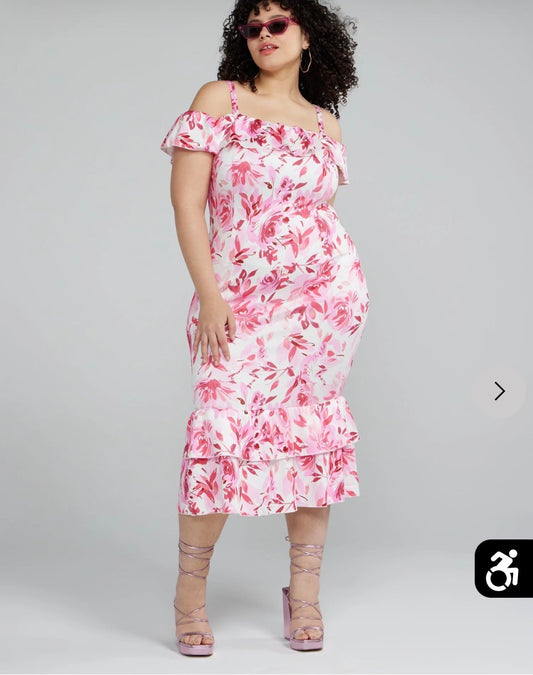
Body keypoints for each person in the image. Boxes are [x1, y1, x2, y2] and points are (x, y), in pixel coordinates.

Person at [160, 0, 369, 656]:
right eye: (252, 27)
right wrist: (210, 295)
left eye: (277, 24)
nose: (263, 35)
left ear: (308, 35)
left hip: (322, 310)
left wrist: (329, 287)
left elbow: (314, 216)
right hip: (235, 304)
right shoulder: (219, 100)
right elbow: (187, 203)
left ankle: (303, 595)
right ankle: (189, 597)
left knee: (310, 435)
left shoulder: (325, 123)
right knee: (219, 430)